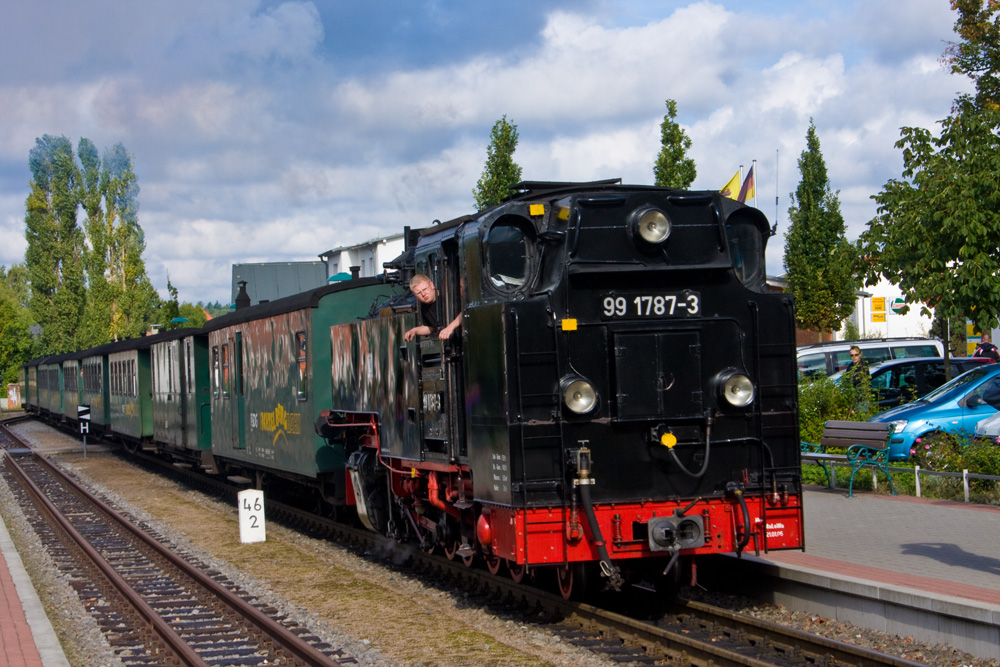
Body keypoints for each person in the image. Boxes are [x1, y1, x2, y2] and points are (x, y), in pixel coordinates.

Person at [403, 274, 462, 342]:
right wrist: (414, 331)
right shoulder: (424, 307)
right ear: (415, 296)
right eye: (419, 293)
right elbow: (431, 328)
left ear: (431, 285)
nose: (423, 294)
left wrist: (450, 327)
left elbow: (465, 311)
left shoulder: (448, 294)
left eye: (425, 289)